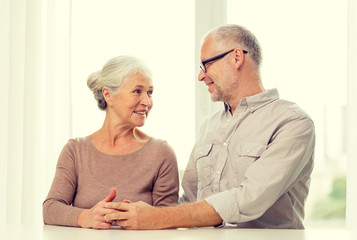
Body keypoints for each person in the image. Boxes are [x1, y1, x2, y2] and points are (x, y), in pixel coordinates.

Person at [103, 24, 315, 229]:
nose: (201, 76)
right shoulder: (209, 126)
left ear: (236, 57)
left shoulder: (293, 123)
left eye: (206, 64)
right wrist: (127, 211)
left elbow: (249, 198)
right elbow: (189, 201)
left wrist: (157, 217)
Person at [42, 56, 179, 229]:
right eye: (137, 91)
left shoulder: (162, 153)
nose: (147, 102)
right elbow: (51, 208)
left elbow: (169, 220)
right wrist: (85, 217)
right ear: (108, 95)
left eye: (150, 92)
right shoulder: (75, 150)